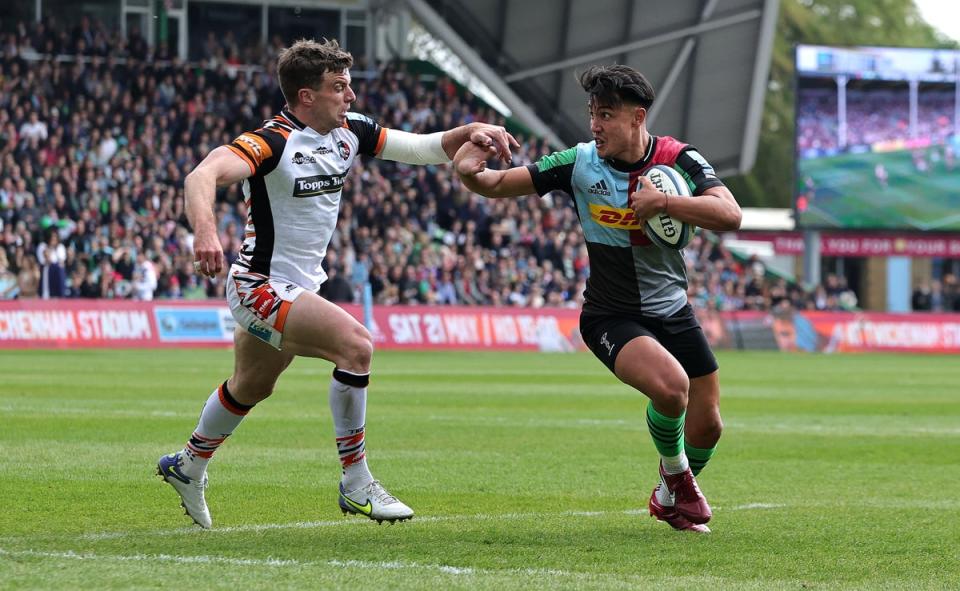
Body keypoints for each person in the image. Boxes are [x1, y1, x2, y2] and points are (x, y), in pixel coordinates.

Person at [157, 38, 517, 528]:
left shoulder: (350, 130)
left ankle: (188, 463)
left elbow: (421, 148)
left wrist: (470, 131)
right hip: (259, 283)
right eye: (338, 87)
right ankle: (356, 481)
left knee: (252, 385)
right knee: (356, 346)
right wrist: (204, 233)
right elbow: (201, 177)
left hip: (301, 284)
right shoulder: (272, 142)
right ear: (306, 96)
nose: (349, 96)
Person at [454, 64, 741, 533]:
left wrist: (664, 204)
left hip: (672, 309)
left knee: (708, 426)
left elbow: (729, 215)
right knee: (671, 388)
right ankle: (678, 479)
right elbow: (499, 184)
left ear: (637, 117)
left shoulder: (677, 158)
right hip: (610, 315)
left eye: (605, 114)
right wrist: (470, 174)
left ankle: (668, 495)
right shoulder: (580, 162)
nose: (595, 125)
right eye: (592, 113)